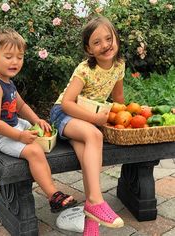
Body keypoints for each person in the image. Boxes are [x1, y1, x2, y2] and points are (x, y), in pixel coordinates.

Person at [0, 28, 77, 213]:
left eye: (19, 57)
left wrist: (36, 120)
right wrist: (20, 136)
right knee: (34, 151)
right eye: (8, 56)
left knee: (45, 131)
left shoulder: (7, 81)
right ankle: (53, 195)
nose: (15, 62)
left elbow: (21, 106)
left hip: (13, 126)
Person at [50, 16, 125, 234]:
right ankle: (97, 202)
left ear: (116, 39)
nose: (105, 45)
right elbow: (66, 103)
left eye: (108, 39)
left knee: (87, 157)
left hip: (85, 120)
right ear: (89, 49)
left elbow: (119, 100)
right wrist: (95, 120)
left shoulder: (119, 65)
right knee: (95, 136)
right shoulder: (84, 70)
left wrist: (123, 118)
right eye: (97, 42)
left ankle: (90, 222)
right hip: (63, 115)